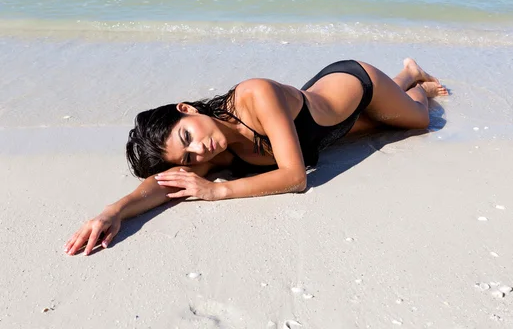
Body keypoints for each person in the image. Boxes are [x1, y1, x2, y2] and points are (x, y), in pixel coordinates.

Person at [64, 58, 448, 256]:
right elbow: (162, 186)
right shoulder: (208, 153)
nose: (200, 151)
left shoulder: (255, 93)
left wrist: (216, 193)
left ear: (187, 109)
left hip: (355, 83)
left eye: (188, 136)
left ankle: (415, 81)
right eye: (188, 157)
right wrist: (112, 212)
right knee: (370, 123)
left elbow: (296, 177)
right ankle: (405, 80)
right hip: (321, 127)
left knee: (415, 121)